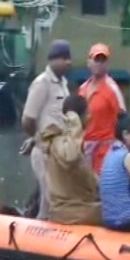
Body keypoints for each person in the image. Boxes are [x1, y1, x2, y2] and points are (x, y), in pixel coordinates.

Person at [20, 39, 72, 220]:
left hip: (58, 152)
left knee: (50, 198)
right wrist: (37, 138)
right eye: (64, 58)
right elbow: (28, 118)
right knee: (50, 197)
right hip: (43, 151)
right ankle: (40, 231)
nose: (68, 62)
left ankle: (39, 226)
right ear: (52, 60)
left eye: (68, 58)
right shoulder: (41, 83)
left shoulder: (63, 84)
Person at [40, 95, 102, 225]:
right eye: (87, 113)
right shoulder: (62, 143)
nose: (90, 117)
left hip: (77, 210)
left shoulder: (69, 142)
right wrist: (75, 127)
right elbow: (70, 158)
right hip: (74, 214)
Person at [78, 43, 127, 175]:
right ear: (89, 62)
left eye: (103, 60)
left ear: (107, 64)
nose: (99, 63)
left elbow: (123, 118)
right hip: (85, 149)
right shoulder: (82, 89)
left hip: (105, 151)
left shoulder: (112, 88)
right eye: (96, 59)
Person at [100, 113, 130, 232]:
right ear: (125, 134)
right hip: (129, 220)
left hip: (109, 220)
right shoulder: (128, 157)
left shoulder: (109, 154)